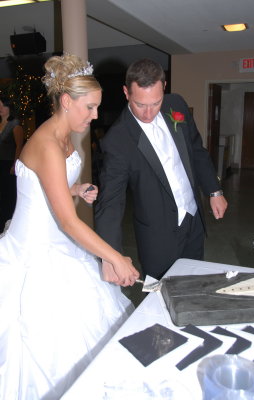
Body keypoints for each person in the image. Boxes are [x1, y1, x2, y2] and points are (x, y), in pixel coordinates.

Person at [0, 53, 139, 400]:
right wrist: (116, 257)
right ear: (66, 101)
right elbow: (66, 220)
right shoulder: (47, 143)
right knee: (50, 344)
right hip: (35, 252)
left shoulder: (65, 136)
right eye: (89, 108)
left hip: (58, 244)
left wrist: (74, 189)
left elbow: (47, 188)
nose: (94, 116)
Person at [95, 58, 228, 280]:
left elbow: (196, 149)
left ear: (164, 89)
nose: (148, 114)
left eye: (155, 103)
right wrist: (110, 256)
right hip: (157, 234)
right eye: (140, 105)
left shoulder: (176, 104)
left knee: (194, 284)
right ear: (126, 92)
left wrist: (214, 191)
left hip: (193, 218)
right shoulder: (117, 140)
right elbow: (110, 202)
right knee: (160, 297)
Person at [0, 97, 24, 232]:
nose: (0, 108)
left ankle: (8, 224)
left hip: (8, 164)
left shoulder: (15, 124)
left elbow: (19, 146)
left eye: (2, 105)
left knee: (8, 195)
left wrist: (15, 164)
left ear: (8, 107)